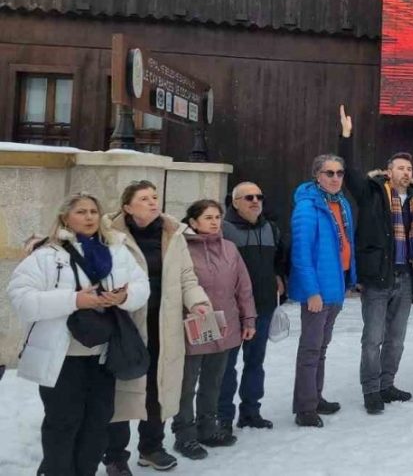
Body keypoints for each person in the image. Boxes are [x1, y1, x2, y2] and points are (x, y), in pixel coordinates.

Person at [9, 193, 150, 476]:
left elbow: (141, 285)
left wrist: (123, 297)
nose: (89, 217)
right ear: (65, 217)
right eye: (81, 212)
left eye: (94, 212)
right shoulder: (46, 255)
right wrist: (74, 300)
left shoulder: (116, 250)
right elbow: (21, 299)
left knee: (97, 424)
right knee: (63, 423)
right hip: (61, 356)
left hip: (103, 355)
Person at [103, 181, 211, 476]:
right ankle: (115, 456)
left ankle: (151, 448)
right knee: (122, 388)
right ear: (127, 207)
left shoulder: (172, 233)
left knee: (158, 386)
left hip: (163, 323)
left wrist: (197, 302)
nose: (153, 202)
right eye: (144, 198)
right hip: (125, 323)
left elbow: (186, 276)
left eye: (154, 197)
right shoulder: (109, 234)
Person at [338, 106, 413, 414]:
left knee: (396, 340)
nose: (406, 173)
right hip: (378, 278)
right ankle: (371, 390)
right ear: (389, 172)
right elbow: (349, 173)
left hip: (405, 277)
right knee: (373, 339)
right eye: (400, 168)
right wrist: (346, 137)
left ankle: (387, 384)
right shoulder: (371, 193)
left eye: (409, 169)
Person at [173, 200, 256, 461]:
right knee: (186, 384)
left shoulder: (230, 248)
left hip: (225, 324)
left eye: (217, 217)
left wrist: (248, 319)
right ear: (193, 221)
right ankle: (184, 434)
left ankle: (207, 428)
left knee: (213, 381)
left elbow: (243, 286)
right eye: (208, 217)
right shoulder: (180, 248)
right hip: (192, 325)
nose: (214, 222)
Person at [290, 153, 355, 428]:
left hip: (335, 286)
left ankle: (315, 397)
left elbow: (346, 243)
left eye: (340, 173)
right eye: (329, 173)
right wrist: (311, 292)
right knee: (310, 349)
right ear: (317, 176)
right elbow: (301, 254)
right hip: (317, 291)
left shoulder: (341, 203)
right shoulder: (308, 207)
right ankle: (305, 408)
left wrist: (349, 279)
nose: (335, 178)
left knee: (321, 348)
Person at [218, 181, 289, 431]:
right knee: (225, 367)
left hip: (263, 307)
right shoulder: (223, 229)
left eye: (259, 197)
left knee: (255, 362)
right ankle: (222, 417)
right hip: (231, 310)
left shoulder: (271, 229)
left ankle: (250, 412)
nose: (255, 201)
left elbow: (280, 259)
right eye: (249, 198)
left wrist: (279, 277)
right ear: (235, 202)